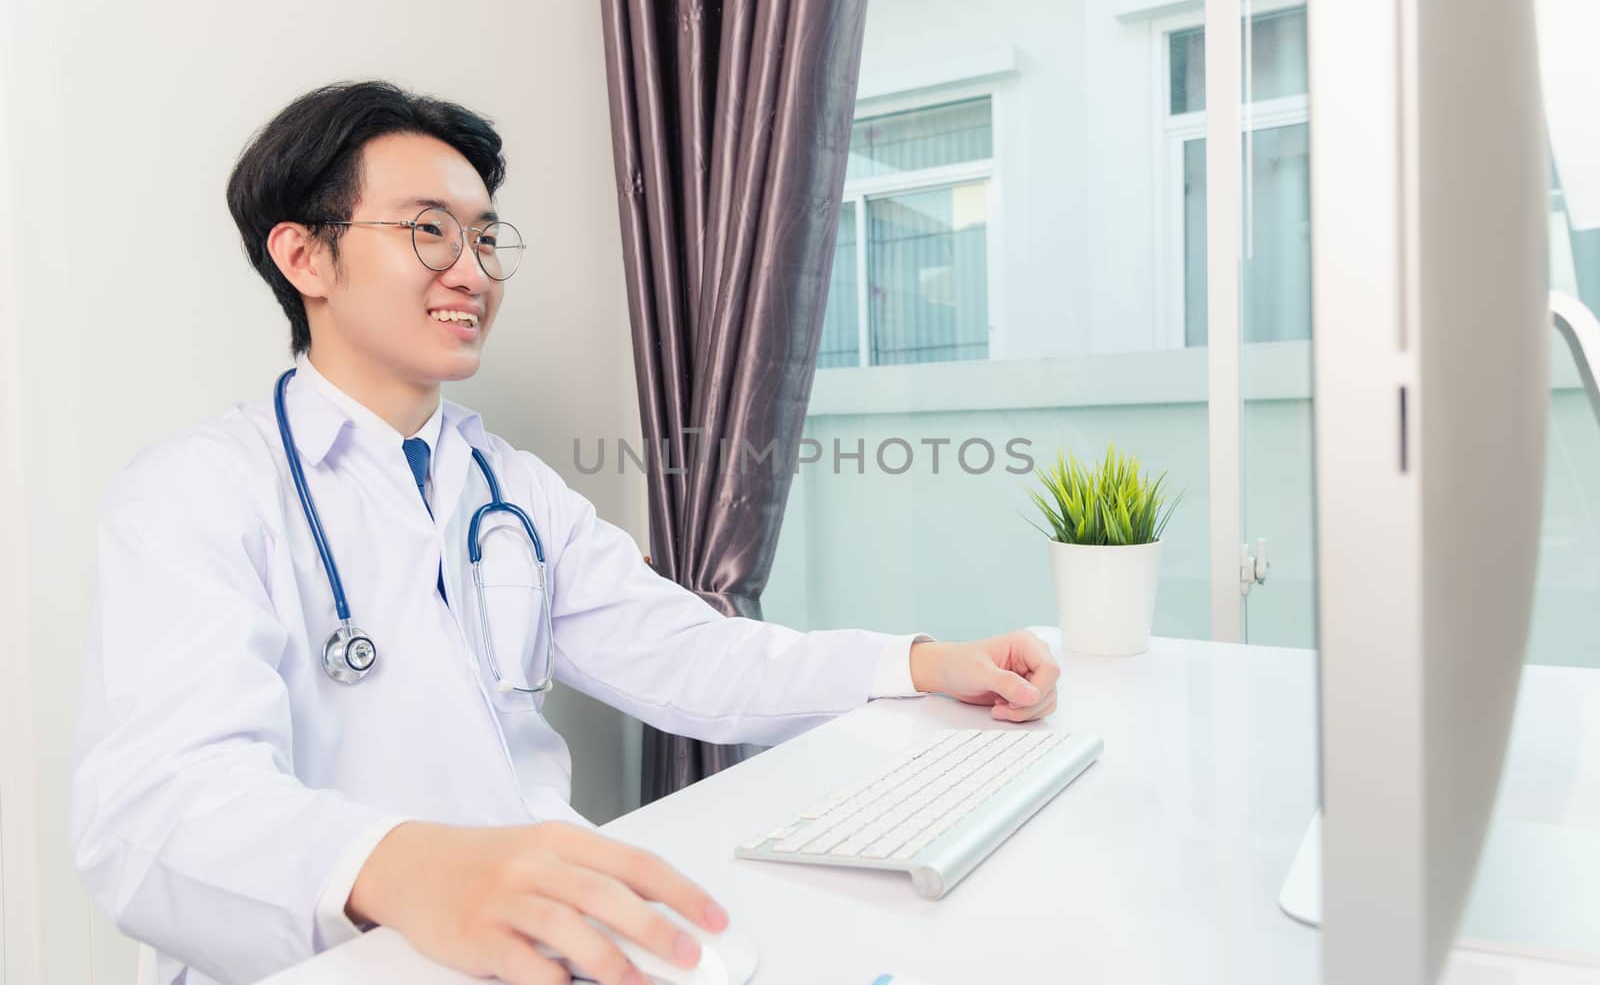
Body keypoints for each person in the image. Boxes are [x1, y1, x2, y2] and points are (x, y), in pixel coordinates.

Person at [70, 80, 1061, 985]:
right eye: (428, 231)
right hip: (351, 959)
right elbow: (155, 811)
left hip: (552, 939)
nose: (472, 271)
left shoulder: (509, 487)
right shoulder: (197, 493)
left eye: (485, 238)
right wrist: (405, 867)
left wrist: (918, 663)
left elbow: (692, 659)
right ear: (303, 256)